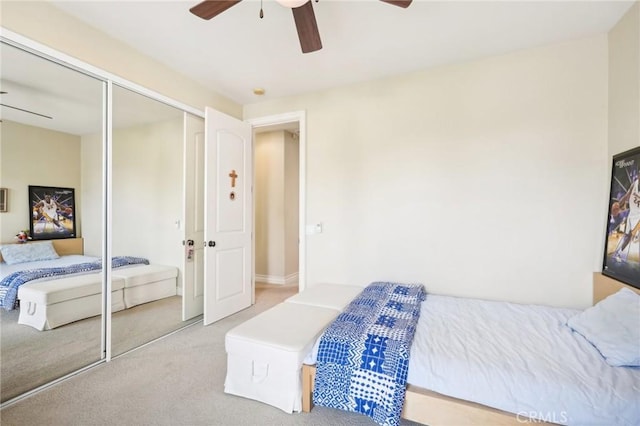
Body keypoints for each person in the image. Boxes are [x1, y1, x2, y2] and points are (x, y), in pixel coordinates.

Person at [611, 169, 640, 262]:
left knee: (631, 235)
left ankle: (619, 253)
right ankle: (619, 253)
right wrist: (619, 205)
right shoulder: (635, 184)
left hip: (639, 216)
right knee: (627, 235)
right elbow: (627, 196)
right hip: (632, 214)